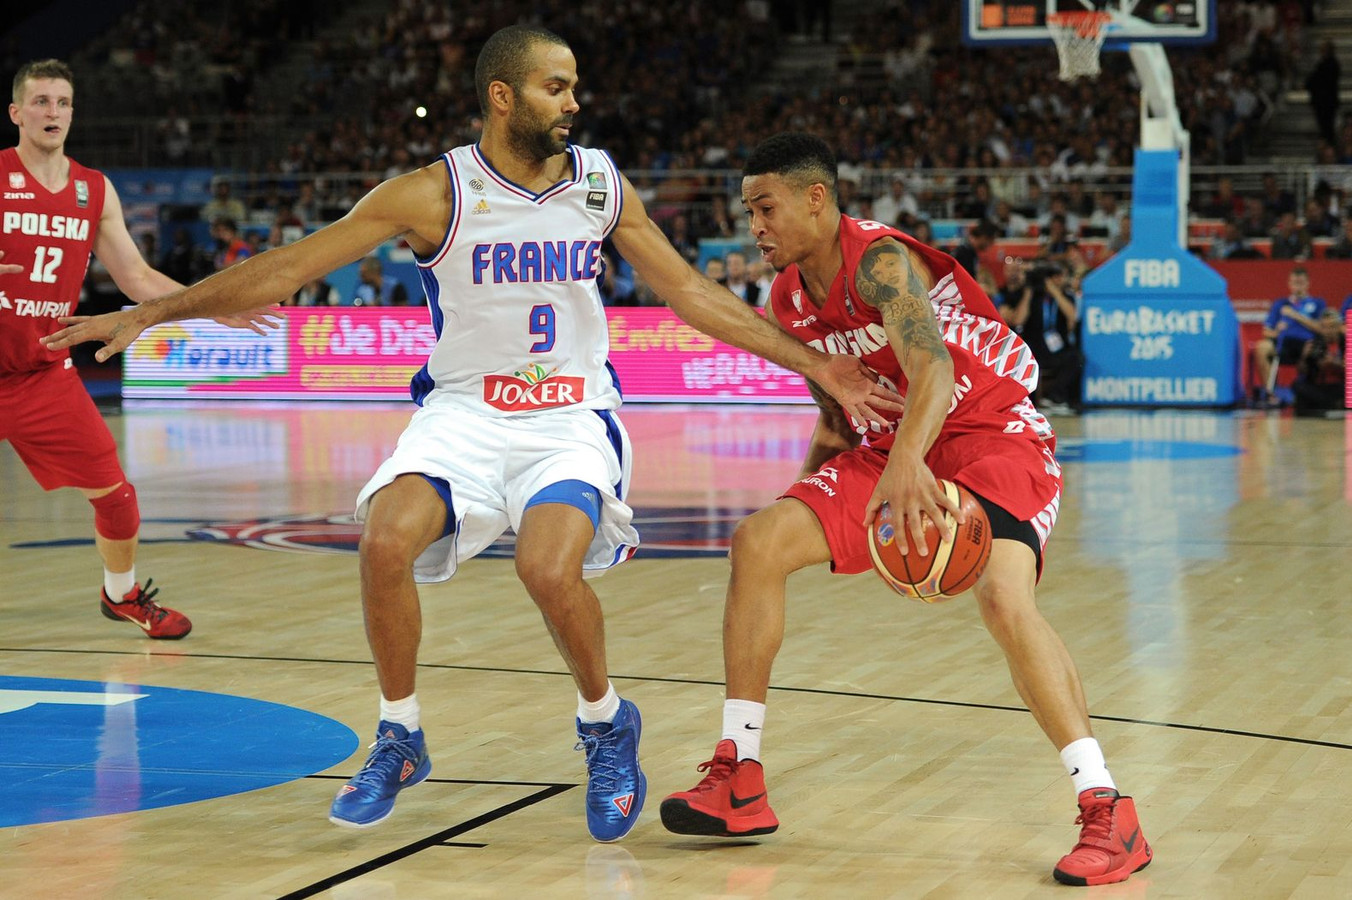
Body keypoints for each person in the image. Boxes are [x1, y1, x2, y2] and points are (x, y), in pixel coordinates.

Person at [43, 29, 894, 841]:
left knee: (547, 566)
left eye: (573, 87)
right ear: (501, 94)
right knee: (384, 540)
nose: (572, 102)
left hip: (568, 416)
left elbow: (687, 293)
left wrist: (812, 366)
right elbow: (294, 265)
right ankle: (400, 734)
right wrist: (155, 310)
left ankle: (606, 723)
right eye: (553, 87)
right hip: (462, 413)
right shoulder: (433, 192)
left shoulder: (599, 183)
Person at [658, 133, 1152, 888]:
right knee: (758, 543)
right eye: (747, 209)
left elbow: (930, 364)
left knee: (1002, 595)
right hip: (894, 449)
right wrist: (810, 503)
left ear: (816, 199)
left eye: (766, 206)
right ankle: (739, 776)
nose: (753, 224)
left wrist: (908, 464)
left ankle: (1106, 805)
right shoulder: (789, 296)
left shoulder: (881, 260)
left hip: (990, 432)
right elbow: (834, 417)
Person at [2, 59, 276, 639]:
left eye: (63, 103)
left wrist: (214, 304)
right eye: (41, 102)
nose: (53, 112)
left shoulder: (92, 190)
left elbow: (137, 277)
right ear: (16, 113)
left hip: (40, 372)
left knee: (118, 496)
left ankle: (120, 594)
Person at [1252, 267, 1327, 405]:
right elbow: (1266, 331)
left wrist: (1296, 316)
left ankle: (1308, 394)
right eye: (1294, 282)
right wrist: (1277, 331)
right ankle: (1272, 395)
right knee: (1262, 347)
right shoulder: (1280, 304)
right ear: (1289, 284)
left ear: (1308, 283)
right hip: (1283, 343)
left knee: (1316, 349)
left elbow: (1321, 329)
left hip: (1306, 343)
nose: (1297, 286)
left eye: (1301, 282)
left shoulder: (1317, 303)